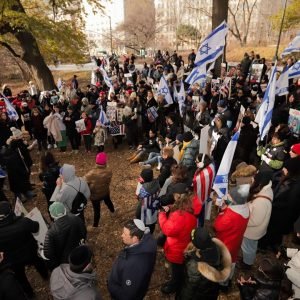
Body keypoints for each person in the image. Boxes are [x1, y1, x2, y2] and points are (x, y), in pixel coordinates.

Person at [0, 201, 48, 298]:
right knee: (38, 262)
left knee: (21, 277)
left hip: (12, 260)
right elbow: (36, 227)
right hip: (30, 251)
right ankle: (45, 275)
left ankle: (30, 294)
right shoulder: (23, 222)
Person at [159, 183, 197, 294]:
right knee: (180, 266)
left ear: (177, 196)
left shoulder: (179, 217)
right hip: (185, 241)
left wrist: (161, 214)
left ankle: (174, 286)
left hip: (177, 248)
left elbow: (167, 230)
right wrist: (170, 208)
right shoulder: (190, 204)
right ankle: (179, 280)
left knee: (177, 269)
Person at [108, 219, 157, 300]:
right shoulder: (147, 241)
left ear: (135, 238)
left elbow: (127, 296)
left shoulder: (134, 265)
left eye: (125, 234)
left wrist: (111, 286)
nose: (121, 235)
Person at [177, 227, 232, 300]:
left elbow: (189, 289)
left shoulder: (194, 266)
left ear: (196, 245)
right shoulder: (217, 248)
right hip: (211, 292)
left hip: (198, 295)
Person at [213, 184, 250, 286]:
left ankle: (223, 283)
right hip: (236, 241)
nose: (228, 196)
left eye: (231, 196)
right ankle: (228, 280)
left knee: (225, 263)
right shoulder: (246, 208)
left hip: (226, 242)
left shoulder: (230, 215)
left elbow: (217, 226)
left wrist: (222, 212)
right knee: (232, 261)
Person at [239, 171, 273, 269]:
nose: (253, 180)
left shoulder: (261, 202)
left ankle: (247, 264)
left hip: (252, 231)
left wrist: (242, 220)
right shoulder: (266, 189)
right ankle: (248, 260)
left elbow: (255, 221)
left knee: (248, 248)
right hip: (256, 230)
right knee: (251, 246)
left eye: (255, 179)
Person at [43, 202, 87, 271]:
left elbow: (48, 254)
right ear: (64, 210)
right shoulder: (76, 219)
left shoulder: (51, 232)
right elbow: (83, 232)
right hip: (79, 250)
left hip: (66, 261)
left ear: (52, 215)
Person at [83, 152, 115, 228]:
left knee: (97, 210)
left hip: (95, 195)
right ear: (105, 161)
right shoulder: (109, 171)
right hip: (105, 192)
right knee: (108, 202)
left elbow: (83, 182)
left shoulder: (91, 173)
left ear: (96, 161)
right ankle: (113, 211)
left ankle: (95, 225)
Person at [193, 154, 216, 227]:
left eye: (196, 161)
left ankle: (198, 227)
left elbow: (195, 185)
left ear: (201, 163)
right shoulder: (211, 167)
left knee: (199, 216)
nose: (195, 162)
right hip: (206, 196)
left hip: (199, 199)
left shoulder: (200, 178)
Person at [135, 169, 160, 233]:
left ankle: (144, 233)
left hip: (145, 209)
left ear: (144, 178)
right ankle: (151, 233)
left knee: (145, 223)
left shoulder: (144, 189)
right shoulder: (157, 182)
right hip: (154, 206)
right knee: (152, 223)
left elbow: (139, 196)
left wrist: (140, 185)